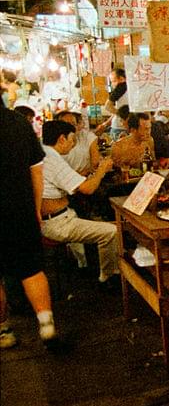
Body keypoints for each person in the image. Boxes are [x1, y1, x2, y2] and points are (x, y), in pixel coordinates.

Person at [0, 104, 58, 346]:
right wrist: (34, 207)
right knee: (31, 269)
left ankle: (3, 331)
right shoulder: (17, 122)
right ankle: (46, 326)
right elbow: (36, 171)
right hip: (18, 209)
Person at [40, 120, 119, 287]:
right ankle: (108, 278)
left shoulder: (43, 153)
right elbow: (88, 189)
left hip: (58, 217)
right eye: (72, 139)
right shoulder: (52, 159)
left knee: (93, 219)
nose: (73, 144)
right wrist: (102, 170)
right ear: (62, 138)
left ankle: (88, 267)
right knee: (111, 231)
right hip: (57, 223)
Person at [59, 110, 100, 176]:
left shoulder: (86, 136)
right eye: (66, 124)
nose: (70, 127)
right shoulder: (54, 145)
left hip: (87, 178)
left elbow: (95, 163)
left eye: (73, 124)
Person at [104, 69, 129, 142]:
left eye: (113, 81)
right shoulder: (122, 87)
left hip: (123, 127)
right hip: (120, 128)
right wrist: (125, 116)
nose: (112, 85)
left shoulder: (124, 86)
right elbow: (108, 106)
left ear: (121, 79)